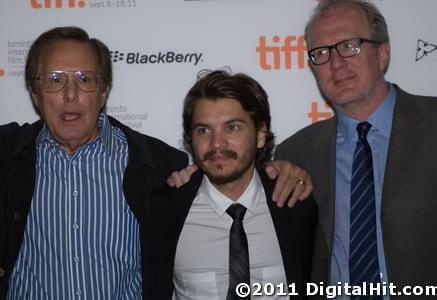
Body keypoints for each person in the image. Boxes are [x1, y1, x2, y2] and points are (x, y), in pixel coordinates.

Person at [0, 26, 312, 299]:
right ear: (35, 92)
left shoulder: (159, 166)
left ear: (104, 90)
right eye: (55, 80)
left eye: (85, 79)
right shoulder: (6, 157)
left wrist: (278, 170)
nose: (70, 94)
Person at [275, 0, 437, 299]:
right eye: (321, 53)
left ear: (382, 54)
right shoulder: (296, 153)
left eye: (350, 45)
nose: (336, 63)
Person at [147, 70, 317, 299]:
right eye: (203, 130)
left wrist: (298, 177)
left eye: (232, 127)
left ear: (259, 135)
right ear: (190, 139)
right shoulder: (164, 210)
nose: (217, 143)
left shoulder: (294, 202)